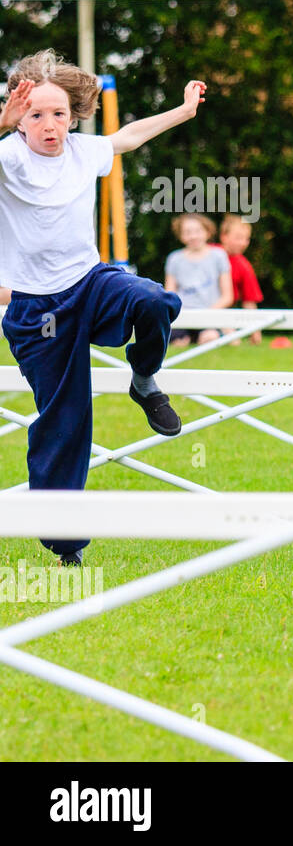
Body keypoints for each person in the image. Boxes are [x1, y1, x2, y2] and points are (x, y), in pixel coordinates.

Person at [0, 49, 204, 566]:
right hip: (36, 308)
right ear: (20, 119)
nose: (50, 126)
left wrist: (182, 111)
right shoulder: (8, 157)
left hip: (90, 282)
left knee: (155, 300)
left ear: (74, 116)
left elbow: (129, 136)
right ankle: (67, 546)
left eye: (60, 115)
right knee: (66, 420)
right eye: (36, 116)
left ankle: (144, 377)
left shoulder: (83, 151)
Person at [165, 212, 232, 346]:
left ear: (207, 232)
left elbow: (227, 296)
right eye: (188, 232)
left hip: (211, 316)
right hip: (183, 317)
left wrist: (206, 314)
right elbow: (169, 295)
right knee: (177, 341)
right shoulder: (174, 259)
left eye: (198, 231)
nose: (193, 236)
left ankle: (227, 333)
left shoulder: (219, 256)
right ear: (181, 235)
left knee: (209, 338)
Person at [216, 214, 264, 344]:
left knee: (234, 341)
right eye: (238, 238)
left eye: (246, 239)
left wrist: (255, 332)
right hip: (200, 307)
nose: (243, 243)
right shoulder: (209, 254)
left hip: (225, 314)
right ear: (223, 237)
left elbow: (249, 301)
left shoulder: (244, 265)